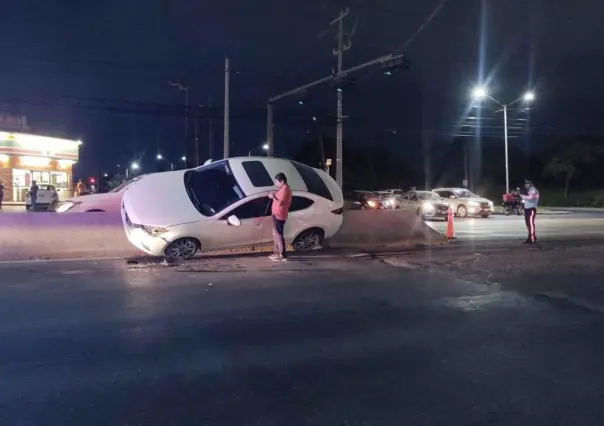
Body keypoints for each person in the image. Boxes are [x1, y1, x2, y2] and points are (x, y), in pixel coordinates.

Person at [268, 172, 292, 261]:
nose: (276, 184)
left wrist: (272, 197)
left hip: (279, 214)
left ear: (282, 181)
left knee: (278, 234)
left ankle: (282, 254)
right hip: (277, 214)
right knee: (276, 233)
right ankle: (277, 252)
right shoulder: (283, 189)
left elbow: (280, 202)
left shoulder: (285, 189)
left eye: (277, 182)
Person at [521, 179, 540, 244]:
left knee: (531, 224)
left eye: (527, 184)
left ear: (531, 184)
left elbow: (530, 198)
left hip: (531, 209)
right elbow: (526, 200)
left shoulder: (533, 190)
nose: (525, 185)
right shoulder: (529, 191)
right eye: (525, 184)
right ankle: (532, 236)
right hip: (527, 209)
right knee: (528, 224)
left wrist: (522, 196)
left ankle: (531, 238)